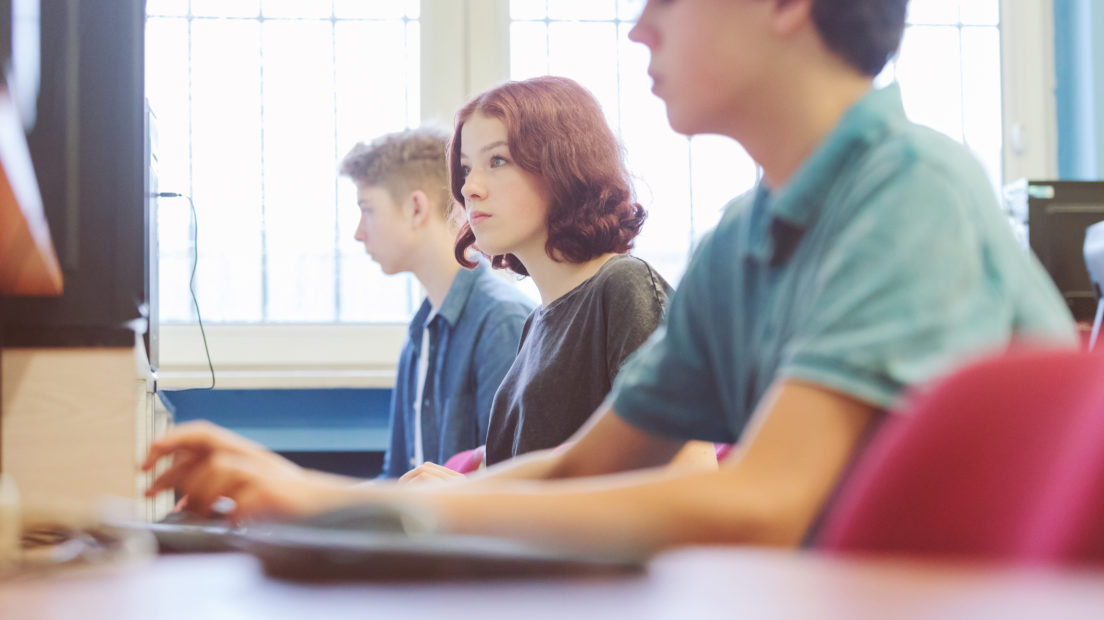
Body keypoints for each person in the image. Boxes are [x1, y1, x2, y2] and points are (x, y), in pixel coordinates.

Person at [144, 0, 1076, 553]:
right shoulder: (744, 240)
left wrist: (368, 516)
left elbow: (766, 499)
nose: (637, 28)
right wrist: (337, 500)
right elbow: (581, 466)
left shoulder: (909, 187)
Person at [400, 76, 699, 484]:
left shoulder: (625, 286)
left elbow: (686, 481)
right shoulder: (536, 326)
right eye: (466, 168)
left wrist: (477, 499)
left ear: (564, 166)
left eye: (497, 161)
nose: (470, 187)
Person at [338, 128, 534, 478]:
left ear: (416, 208)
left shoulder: (501, 320)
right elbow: (396, 479)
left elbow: (507, 482)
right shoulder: (420, 334)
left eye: (367, 210)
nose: (358, 232)